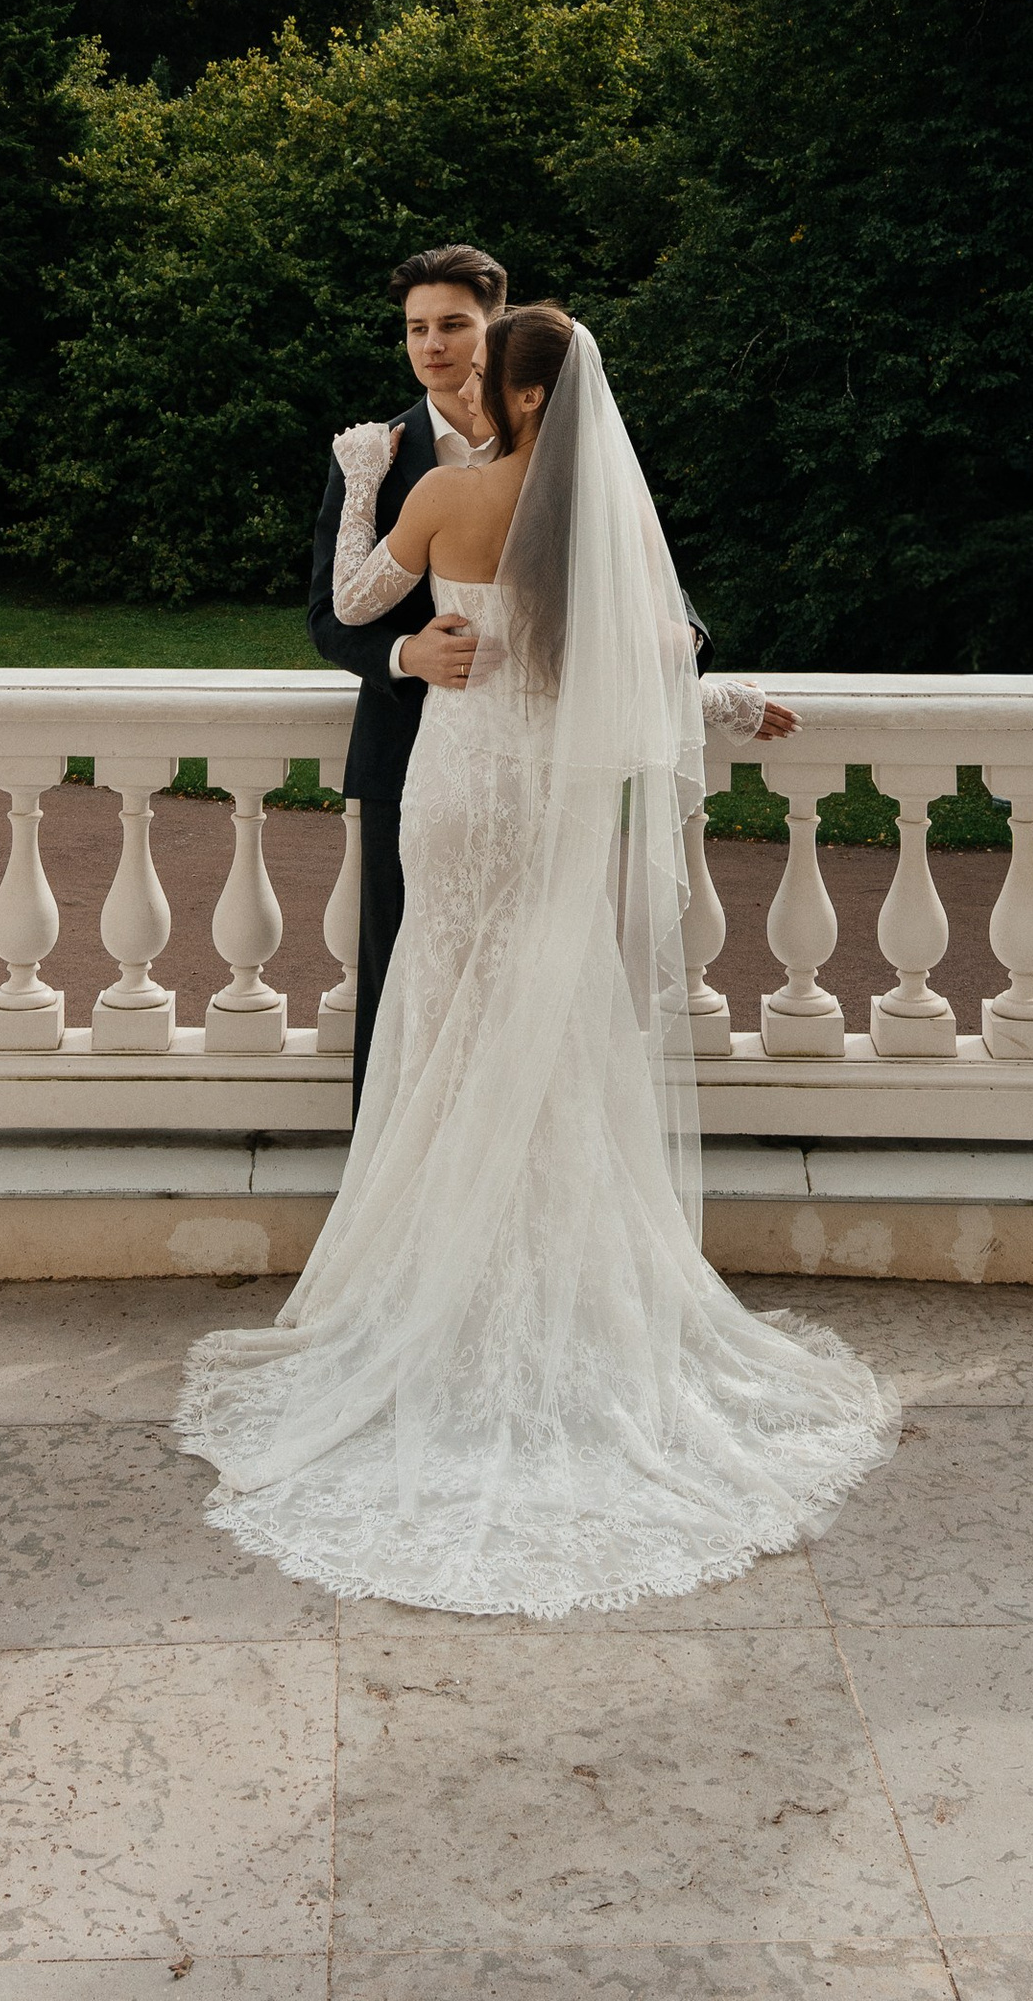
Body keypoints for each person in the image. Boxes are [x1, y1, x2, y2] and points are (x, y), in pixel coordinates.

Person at [182, 302, 899, 1618]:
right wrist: (732, 701)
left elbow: (352, 603)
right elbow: (641, 675)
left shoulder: (446, 496)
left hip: (456, 797)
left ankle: (433, 1302)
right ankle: (559, 1302)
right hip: (548, 808)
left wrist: (361, 484)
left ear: (512, 395)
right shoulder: (598, 526)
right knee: (554, 1027)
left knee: (447, 1023)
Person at [306, 243, 509, 1105]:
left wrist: (689, 654)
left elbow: (643, 576)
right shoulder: (372, 455)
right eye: (416, 328)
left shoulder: (553, 441)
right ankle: (387, 1162)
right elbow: (327, 616)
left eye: (453, 324)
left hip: (529, 757)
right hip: (405, 755)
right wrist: (405, 656)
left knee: (522, 964)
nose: (432, 344)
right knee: (399, 970)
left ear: (495, 326)